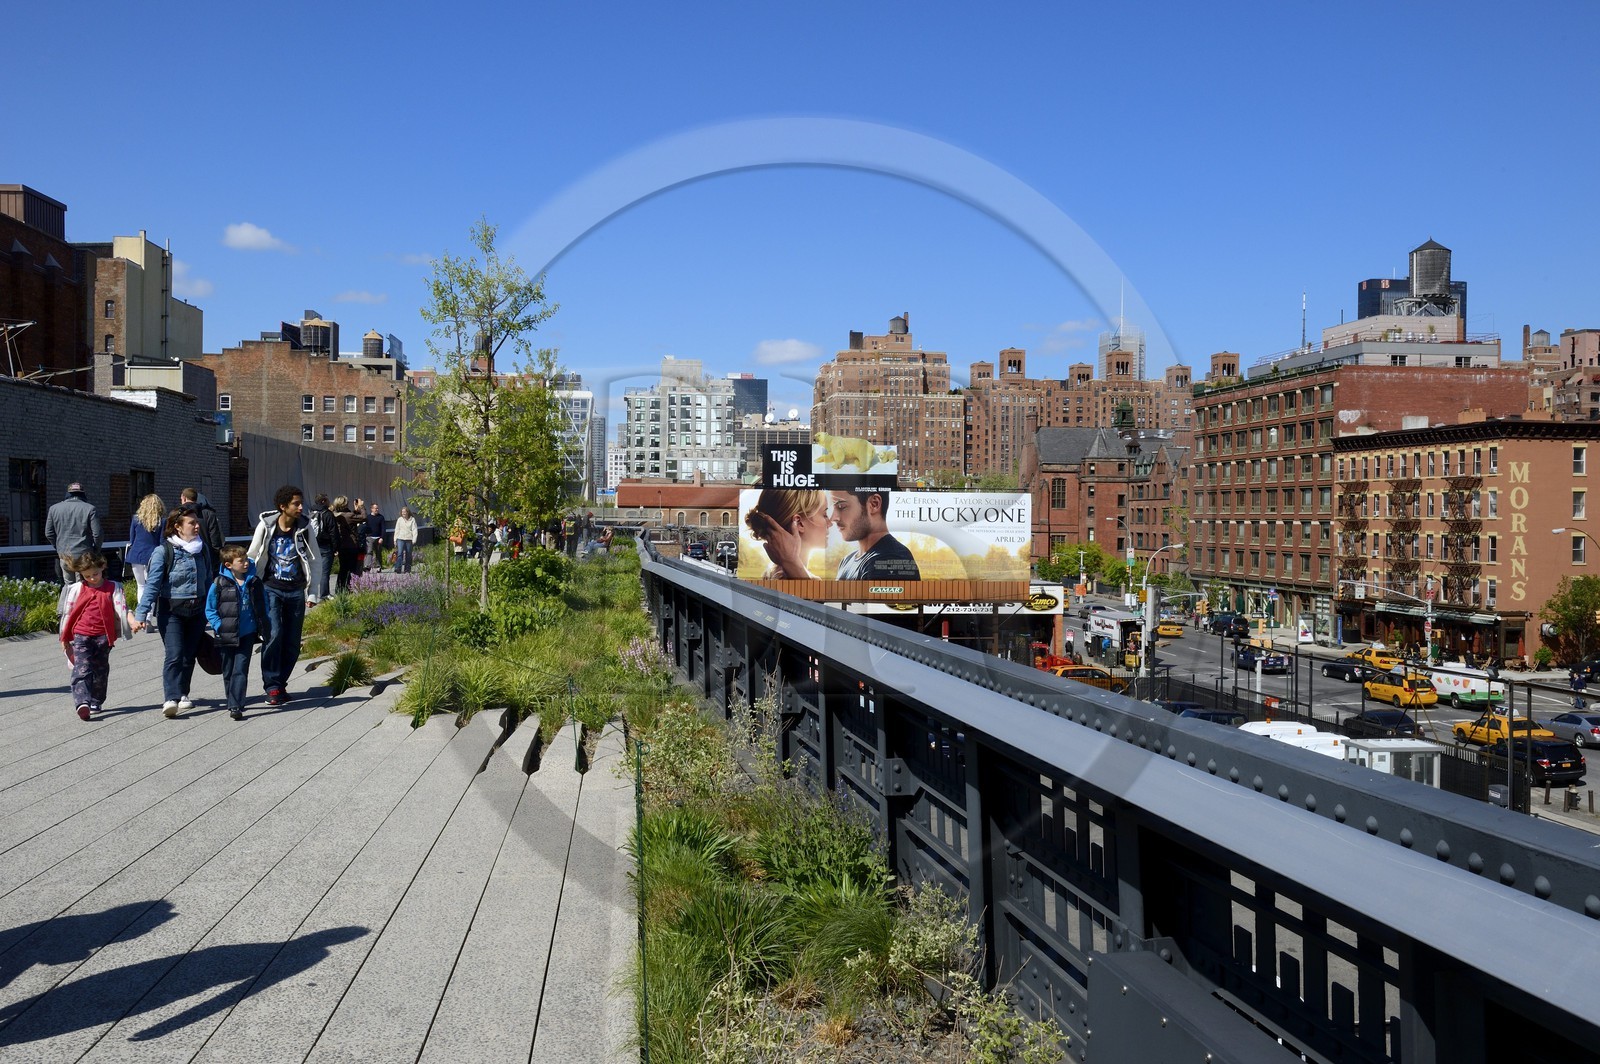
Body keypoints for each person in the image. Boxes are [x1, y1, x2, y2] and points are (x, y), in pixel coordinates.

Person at [132, 507, 216, 718]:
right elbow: (152, 585)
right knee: (175, 654)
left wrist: (213, 610)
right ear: (177, 527)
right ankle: (171, 698)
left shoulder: (202, 549)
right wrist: (142, 615)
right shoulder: (163, 552)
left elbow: (208, 581)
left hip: (197, 611)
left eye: (197, 522)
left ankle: (183, 693)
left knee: (188, 655)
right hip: (172, 612)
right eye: (191, 523)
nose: (197, 526)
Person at [247, 485, 318, 706]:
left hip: (296, 591)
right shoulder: (266, 526)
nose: (300, 507)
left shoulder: (305, 527)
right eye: (296, 503)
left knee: (292, 642)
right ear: (283, 506)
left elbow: (315, 560)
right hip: (271, 588)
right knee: (274, 634)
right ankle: (272, 686)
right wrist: (249, 587)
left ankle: (281, 683)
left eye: (301, 503)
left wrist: (313, 593)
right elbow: (252, 554)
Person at [57, 550, 133, 721]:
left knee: (100, 669)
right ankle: (82, 702)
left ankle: (96, 700)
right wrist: (64, 637)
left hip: (103, 636)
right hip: (81, 634)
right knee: (81, 668)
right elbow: (67, 613)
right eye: (87, 576)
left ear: (103, 567)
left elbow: (121, 609)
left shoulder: (113, 588)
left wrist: (132, 622)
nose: (92, 578)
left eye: (95, 574)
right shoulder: (76, 589)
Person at [207, 544, 270, 721]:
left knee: (240, 669)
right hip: (226, 633)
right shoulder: (219, 583)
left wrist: (264, 624)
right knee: (228, 669)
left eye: (245, 560)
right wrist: (218, 625)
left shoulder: (254, 582)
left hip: (248, 633)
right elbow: (210, 609)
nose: (245, 563)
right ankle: (232, 699)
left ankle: (236, 704)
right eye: (241, 561)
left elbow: (263, 603)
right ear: (229, 565)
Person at [830, 487, 920, 581]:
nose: (833, 518)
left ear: (874, 504)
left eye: (841, 507)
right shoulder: (847, 561)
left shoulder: (890, 559)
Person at [745, 488, 831, 579]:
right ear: (798, 523)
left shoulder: (769, 576)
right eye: (824, 514)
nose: (830, 523)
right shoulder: (809, 583)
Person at [45, 482, 102, 584]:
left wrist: (59, 547)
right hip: (84, 554)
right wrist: (95, 550)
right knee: (83, 585)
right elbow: (97, 534)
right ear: (83, 494)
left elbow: (48, 533)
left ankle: (69, 600)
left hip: (64, 554)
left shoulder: (54, 509)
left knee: (69, 585)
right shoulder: (90, 508)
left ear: (68, 493)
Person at [126, 493, 166, 603]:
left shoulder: (135, 519)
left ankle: (141, 615)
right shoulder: (162, 521)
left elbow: (132, 539)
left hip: (136, 555)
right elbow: (162, 541)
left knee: (140, 586)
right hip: (153, 556)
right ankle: (148, 615)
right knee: (151, 587)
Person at [307, 493, 337, 602]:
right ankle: (324, 594)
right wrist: (335, 548)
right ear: (323, 501)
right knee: (325, 572)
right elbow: (333, 532)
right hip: (325, 545)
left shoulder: (310, 512)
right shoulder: (327, 514)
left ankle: (311, 595)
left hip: (312, 545)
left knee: (312, 571)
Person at [330, 496, 363, 593]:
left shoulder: (334, 515)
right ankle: (348, 588)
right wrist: (361, 507)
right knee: (351, 568)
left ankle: (339, 589)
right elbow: (363, 517)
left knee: (343, 568)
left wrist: (355, 511)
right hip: (351, 545)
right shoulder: (348, 515)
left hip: (341, 546)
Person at [179, 487, 225, 554]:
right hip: (206, 554)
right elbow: (215, 537)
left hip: (184, 554)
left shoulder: (178, 513)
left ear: (183, 498)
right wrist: (216, 553)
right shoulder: (209, 514)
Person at [392, 506, 418, 574]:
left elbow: (414, 530)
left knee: (408, 554)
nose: (403, 513)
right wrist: (395, 540)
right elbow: (397, 530)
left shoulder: (412, 519)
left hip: (409, 539)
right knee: (400, 553)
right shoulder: (399, 519)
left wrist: (414, 539)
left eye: (405, 512)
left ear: (407, 512)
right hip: (400, 538)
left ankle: (407, 569)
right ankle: (398, 568)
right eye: (402, 512)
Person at [364, 502, 387, 571]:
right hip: (370, 537)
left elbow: (383, 528)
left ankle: (378, 566)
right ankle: (367, 566)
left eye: (377, 508)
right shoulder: (368, 517)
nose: (376, 509)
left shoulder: (381, 517)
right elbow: (365, 527)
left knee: (378, 552)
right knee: (369, 551)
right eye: (375, 508)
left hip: (378, 537)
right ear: (371, 509)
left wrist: (382, 537)